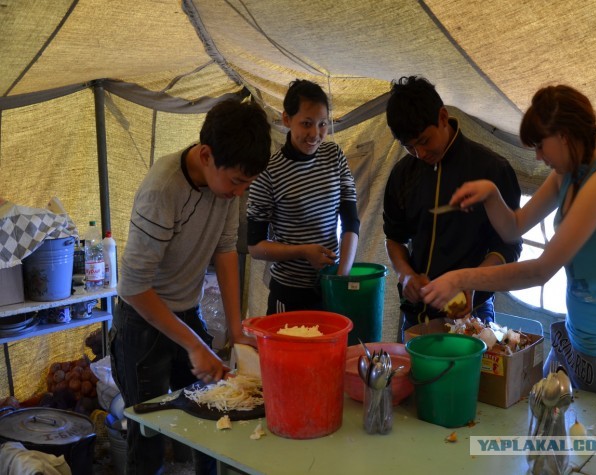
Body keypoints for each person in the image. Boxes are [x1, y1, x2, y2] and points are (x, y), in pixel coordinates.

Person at [420, 84, 596, 400]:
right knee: (550, 421)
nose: (537, 156)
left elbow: (540, 271)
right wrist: (491, 195)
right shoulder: (569, 174)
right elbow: (514, 227)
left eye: (539, 145)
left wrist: (461, 277)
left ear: (564, 135)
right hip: (577, 338)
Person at [110, 99, 272, 474]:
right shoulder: (163, 189)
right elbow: (133, 287)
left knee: (211, 417)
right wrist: (195, 345)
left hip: (184, 312)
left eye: (247, 184)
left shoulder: (227, 187)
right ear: (206, 154)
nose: (238, 192)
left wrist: (236, 329)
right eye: (236, 182)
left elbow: (226, 249)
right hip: (142, 321)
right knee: (148, 437)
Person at [383, 76, 522, 338]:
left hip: (472, 316)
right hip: (415, 318)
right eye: (409, 147)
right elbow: (394, 238)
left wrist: (471, 284)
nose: (420, 153)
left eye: (424, 141)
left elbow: (508, 246)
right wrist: (406, 275)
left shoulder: (491, 169)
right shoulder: (402, 174)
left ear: (443, 117)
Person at [246, 79, 359, 314]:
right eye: (306, 124)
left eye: (322, 124)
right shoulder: (269, 172)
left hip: (330, 289)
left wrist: (341, 277)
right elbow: (255, 247)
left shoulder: (334, 155)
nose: (315, 134)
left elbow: (351, 221)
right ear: (286, 119)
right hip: (288, 295)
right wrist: (302, 251)